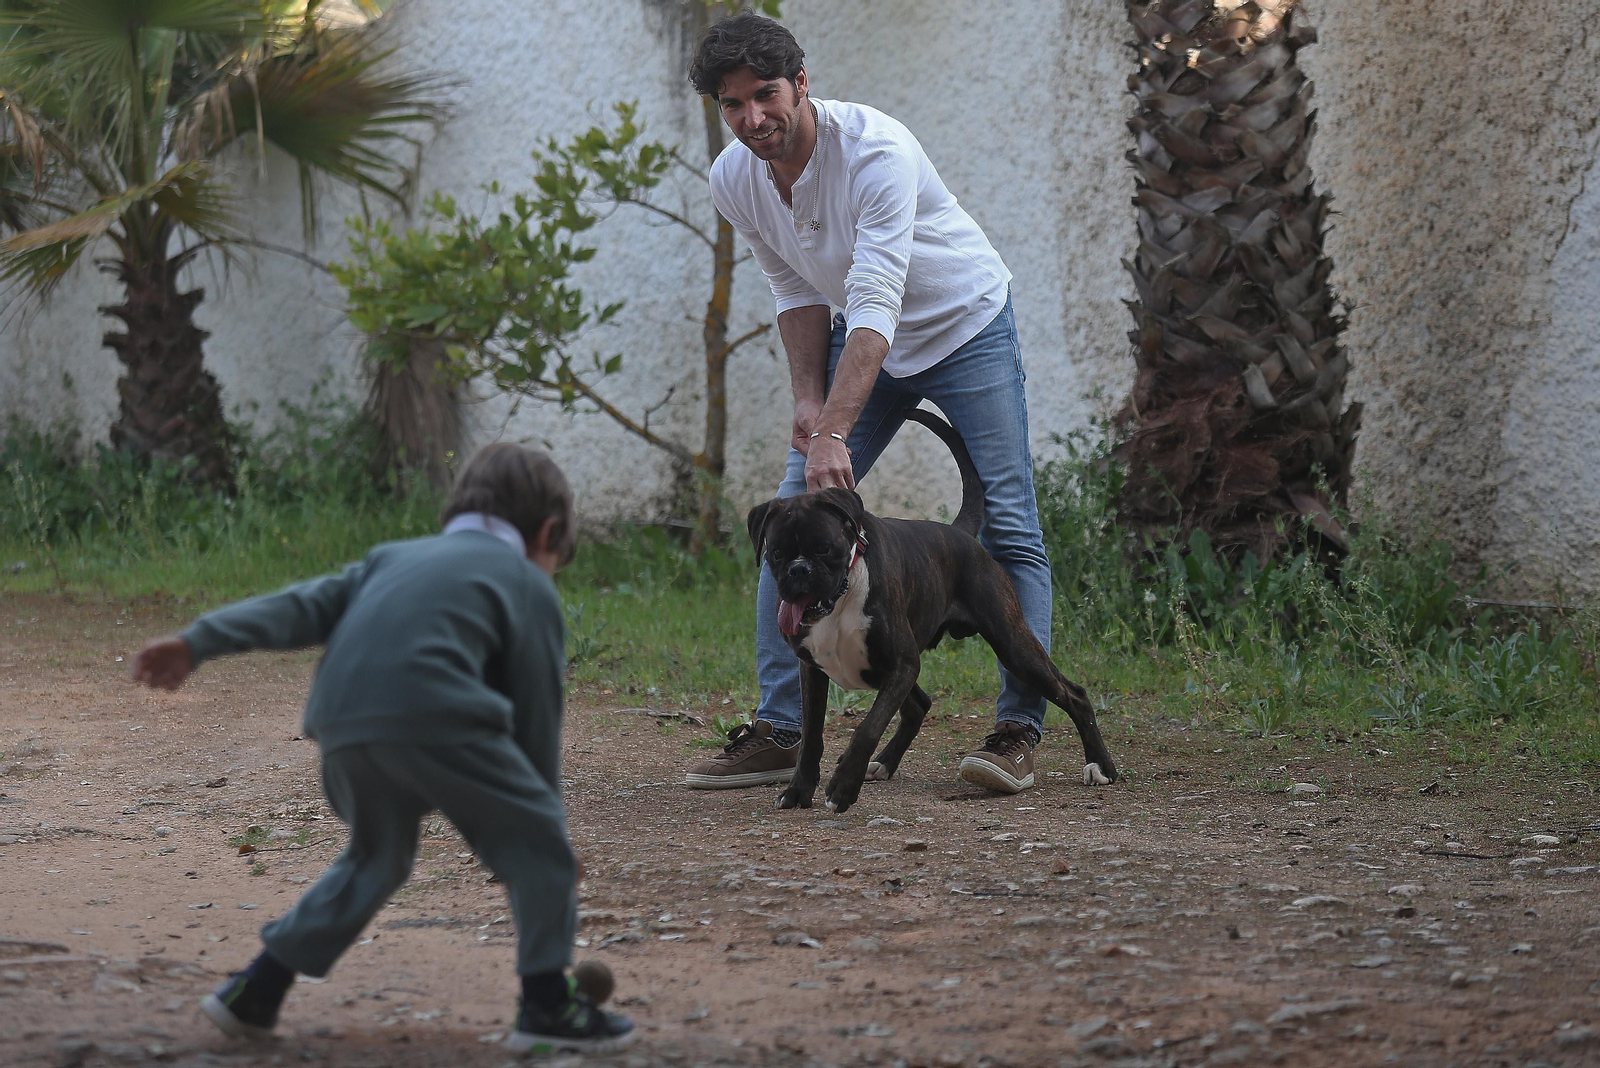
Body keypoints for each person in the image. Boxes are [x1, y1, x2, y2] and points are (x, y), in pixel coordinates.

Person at [129, 444, 633, 1055]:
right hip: (440, 719)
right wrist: (546, 832)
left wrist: (198, 641)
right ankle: (549, 1007)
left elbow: (298, 607)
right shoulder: (526, 582)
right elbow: (535, 719)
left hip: (343, 726)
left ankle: (255, 990)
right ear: (547, 532)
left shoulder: (391, 558)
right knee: (541, 855)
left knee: (376, 859)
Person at [683, 14, 1057, 796]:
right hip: (863, 339)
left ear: (802, 84)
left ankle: (1018, 730)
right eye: (733, 104)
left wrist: (833, 429)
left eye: (767, 96)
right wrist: (806, 396)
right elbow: (793, 286)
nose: (753, 119)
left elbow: (878, 300)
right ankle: (782, 731)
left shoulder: (876, 152)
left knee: (1012, 525)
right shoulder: (734, 178)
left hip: (964, 326)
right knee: (794, 514)